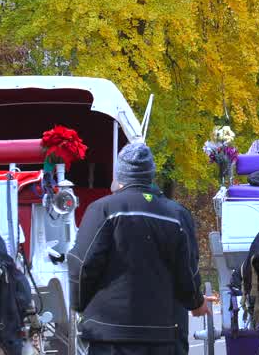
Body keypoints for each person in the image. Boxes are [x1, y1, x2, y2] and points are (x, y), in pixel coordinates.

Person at [69, 143, 210, 354]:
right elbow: (187, 271)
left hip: (109, 334)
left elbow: (82, 265)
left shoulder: (102, 209)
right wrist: (196, 303)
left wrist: (78, 303)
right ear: (151, 174)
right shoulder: (177, 215)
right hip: (163, 333)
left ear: (120, 176)